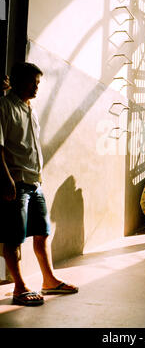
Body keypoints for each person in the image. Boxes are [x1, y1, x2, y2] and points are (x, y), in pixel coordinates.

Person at [0, 63, 78, 306]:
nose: (36, 87)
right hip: (17, 181)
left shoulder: (30, 109)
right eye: (33, 82)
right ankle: (19, 287)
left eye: (38, 83)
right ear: (18, 81)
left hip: (35, 182)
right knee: (13, 238)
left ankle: (49, 280)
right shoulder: (4, 106)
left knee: (42, 233)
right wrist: (6, 179)